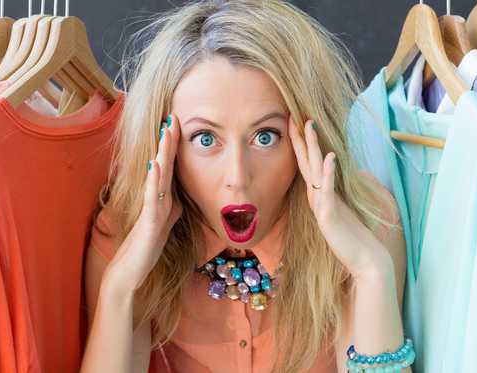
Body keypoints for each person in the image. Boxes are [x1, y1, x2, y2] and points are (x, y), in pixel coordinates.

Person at [80, 1, 408, 372]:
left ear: (308, 134)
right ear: (167, 146)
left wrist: (371, 270)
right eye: (205, 139)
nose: (237, 176)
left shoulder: (367, 221)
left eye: (265, 136)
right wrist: (120, 289)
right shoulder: (123, 232)